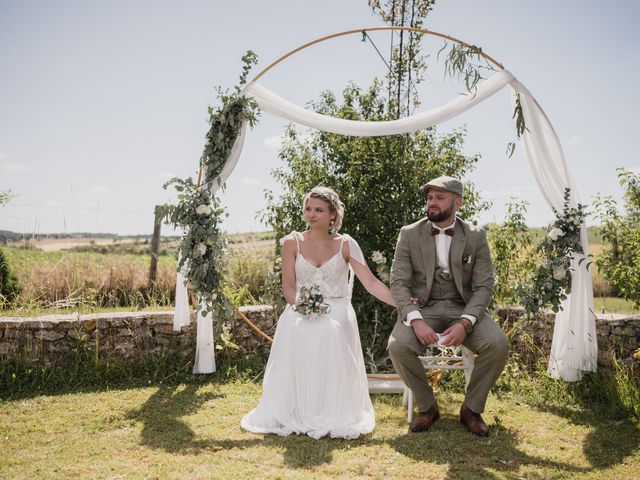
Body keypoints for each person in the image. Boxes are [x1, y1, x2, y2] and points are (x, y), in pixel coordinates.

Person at [241, 186, 395, 439]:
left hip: (338, 307)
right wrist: (303, 306)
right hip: (301, 306)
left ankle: (332, 410)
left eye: (319, 210)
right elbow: (288, 288)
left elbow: (371, 282)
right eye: (308, 209)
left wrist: (402, 304)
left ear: (332, 214)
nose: (312, 214)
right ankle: (293, 409)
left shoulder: (346, 244)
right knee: (294, 325)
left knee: (330, 329)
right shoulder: (292, 242)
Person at [388, 175, 509, 436]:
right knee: (397, 346)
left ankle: (472, 409)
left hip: (464, 307)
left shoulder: (476, 236)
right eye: (429, 198)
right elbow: (398, 282)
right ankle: (428, 406)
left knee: (497, 344)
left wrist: (466, 323)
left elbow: (483, 286)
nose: (432, 203)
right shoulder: (409, 234)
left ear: (457, 203)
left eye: (439, 198)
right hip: (424, 308)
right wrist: (416, 320)